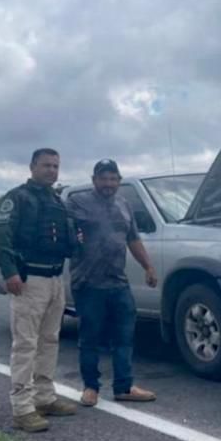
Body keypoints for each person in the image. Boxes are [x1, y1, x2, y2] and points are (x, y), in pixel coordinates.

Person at [0, 148, 79, 432]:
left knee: (50, 341)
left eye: (56, 166)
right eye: (46, 165)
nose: (52, 171)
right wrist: (10, 273)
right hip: (30, 281)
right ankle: (22, 408)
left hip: (55, 280)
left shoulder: (57, 201)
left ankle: (44, 398)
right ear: (32, 167)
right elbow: (2, 237)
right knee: (26, 344)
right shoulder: (17, 197)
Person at [66, 159, 158, 407]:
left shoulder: (124, 204)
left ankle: (124, 386)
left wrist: (148, 266)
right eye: (103, 178)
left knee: (124, 337)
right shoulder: (77, 203)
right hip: (88, 282)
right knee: (90, 338)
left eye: (113, 179)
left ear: (118, 180)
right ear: (94, 180)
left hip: (118, 282)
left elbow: (133, 239)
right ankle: (90, 387)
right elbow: (64, 232)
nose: (108, 184)